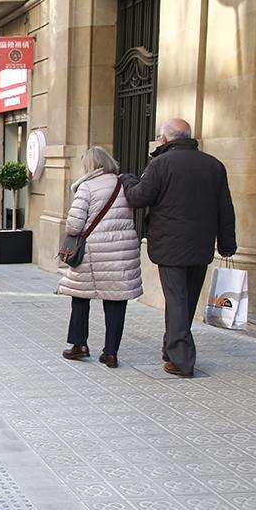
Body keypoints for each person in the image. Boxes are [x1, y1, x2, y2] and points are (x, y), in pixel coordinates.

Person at [121, 118, 236, 377]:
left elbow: (139, 197)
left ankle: (182, 360)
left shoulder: (160, 164)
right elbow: (225, 208)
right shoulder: (214, 165)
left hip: (170, 245)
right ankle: (170, 347)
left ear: (164, 139)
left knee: (176, 301)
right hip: (200, 246)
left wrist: (128, 181)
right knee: (186, 300)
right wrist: (227, 244)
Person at [57, 147, 142, 368]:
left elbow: (74, 225)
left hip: (93, 252)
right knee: (116, 299)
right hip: (121, 251)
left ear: (89, 165)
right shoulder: (124, 183)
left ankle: (79, 344)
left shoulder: (86, 187)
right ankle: (111, 353)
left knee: (80, 296)